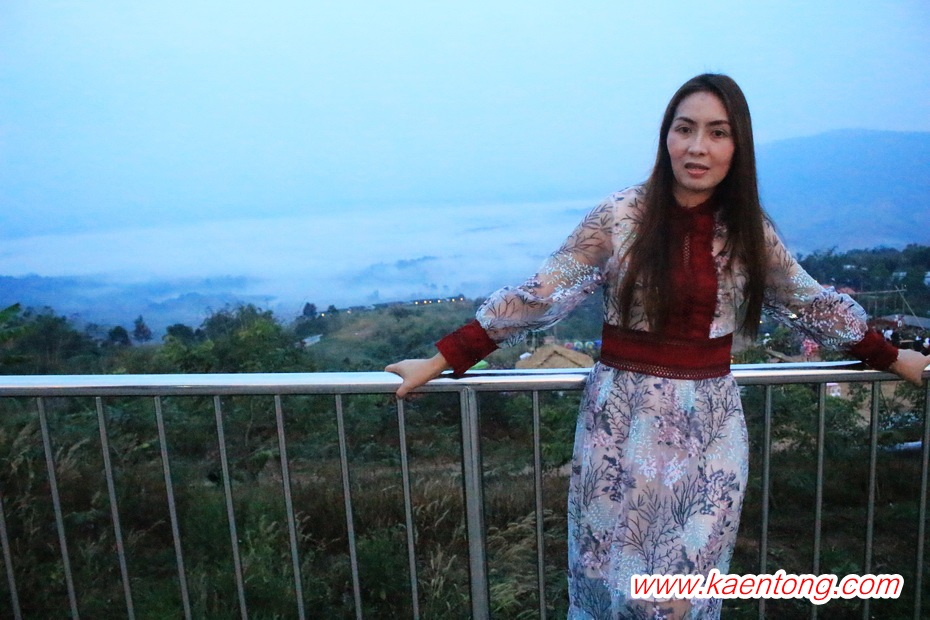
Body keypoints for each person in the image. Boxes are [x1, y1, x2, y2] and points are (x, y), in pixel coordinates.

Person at [386, 74, 929, 619]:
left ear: (737, 145)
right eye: (684, 129)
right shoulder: (620, 215)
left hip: (710, 431)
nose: (698, 147)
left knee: (679, 601)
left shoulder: (748, 229)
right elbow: (540, 295)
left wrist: (892, 357)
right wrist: (442, 360)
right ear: (666, 136)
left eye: (717, 133)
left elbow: (809, 302)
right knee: (615, 586)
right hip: (621, 426)